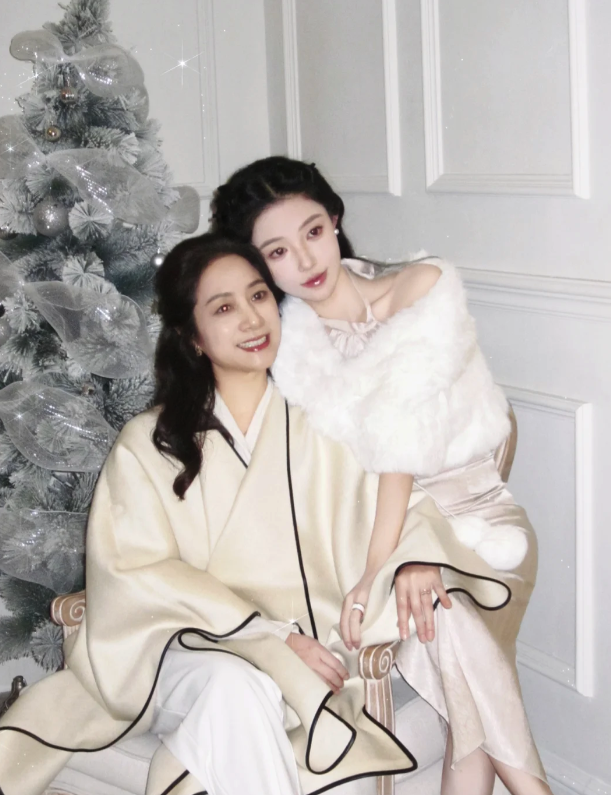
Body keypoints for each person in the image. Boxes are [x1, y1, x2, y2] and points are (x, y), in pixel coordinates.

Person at [0, 233, 521, 795]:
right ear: (192, 337)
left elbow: (394, 506)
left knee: (239, 689)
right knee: (233, 678)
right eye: (224, 308)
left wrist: (416, 559)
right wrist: (270, 637)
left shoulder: (324, 422)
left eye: (258, 296)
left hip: (278, 664)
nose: (252, 319)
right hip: (174, 651)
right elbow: (137, 572)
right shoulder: (146, 443)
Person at [211, 156, 552, 795]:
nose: (306, 260)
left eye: (314, 232)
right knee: (453, 647)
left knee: (445, 617)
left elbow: (398, 452)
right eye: (278, 252)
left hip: (480, 523)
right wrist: (393, 561)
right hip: (387, 536)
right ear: (261, 265)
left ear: (336, 221)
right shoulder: (291, 348)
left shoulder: (422, 291)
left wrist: (389, 567)